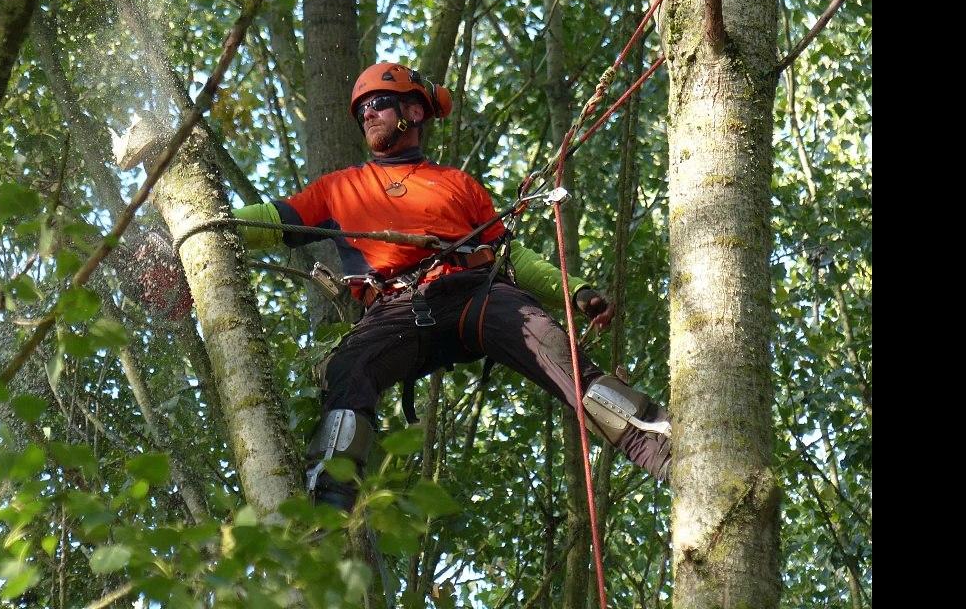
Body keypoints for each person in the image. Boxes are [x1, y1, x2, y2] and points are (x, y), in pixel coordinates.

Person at [231, 62, 671, 511]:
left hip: (475, 294)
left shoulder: (458, 185)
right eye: (361, 109)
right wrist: (213, 226)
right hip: (398, 308)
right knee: (349, 367)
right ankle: (327, 504)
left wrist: (575, 290)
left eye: (377, 103)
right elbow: (271, 221)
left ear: (414, 112)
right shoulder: (339, 189)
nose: (367, 114)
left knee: (555, 349)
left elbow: (511, 257)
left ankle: (665, 449)